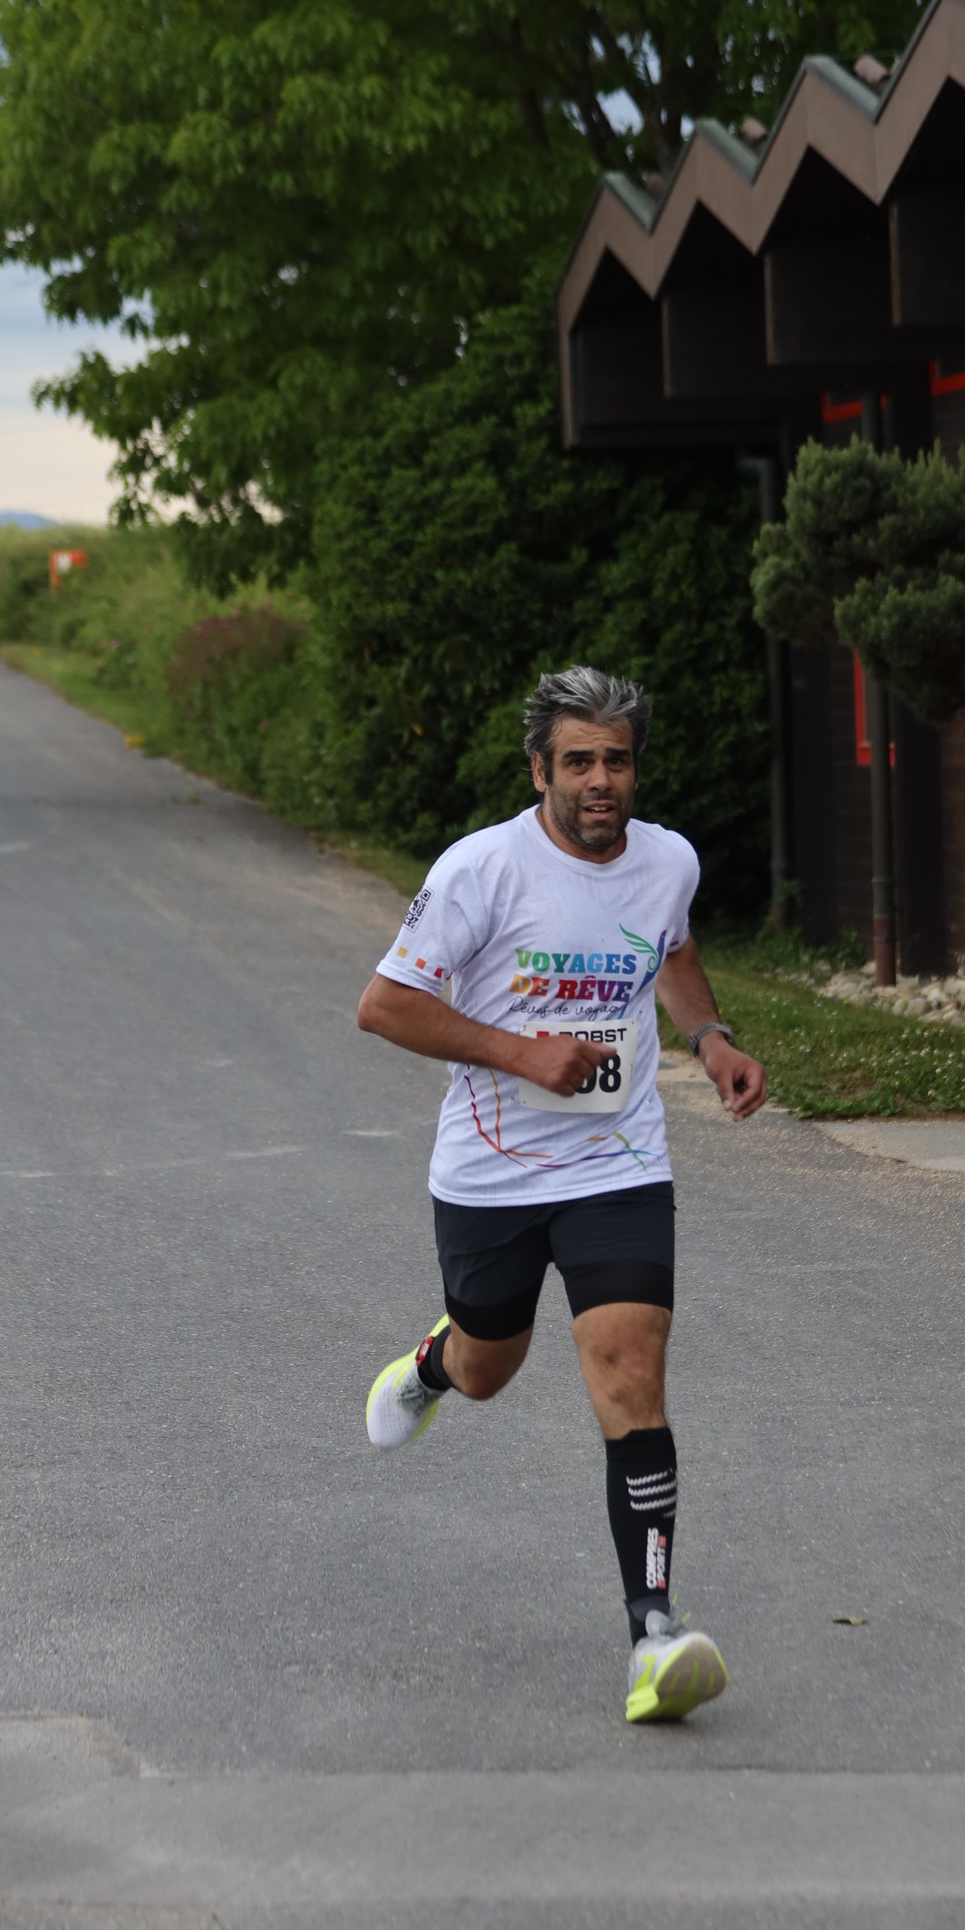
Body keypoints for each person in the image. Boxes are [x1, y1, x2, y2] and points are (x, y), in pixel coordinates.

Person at [356, 665, 767, 1723]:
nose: (600, 781)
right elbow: (385, 1005)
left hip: (617, 1163)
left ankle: (654, 1634)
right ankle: (436, 1363)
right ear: (539, 770)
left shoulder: (668, 860)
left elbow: (670, 944)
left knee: (630, 1367)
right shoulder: (480, 871)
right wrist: (520, 1052)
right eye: (578, 761)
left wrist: (710, 1038)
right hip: (490, 1173)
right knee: (488, 1367)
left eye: (616, 761)